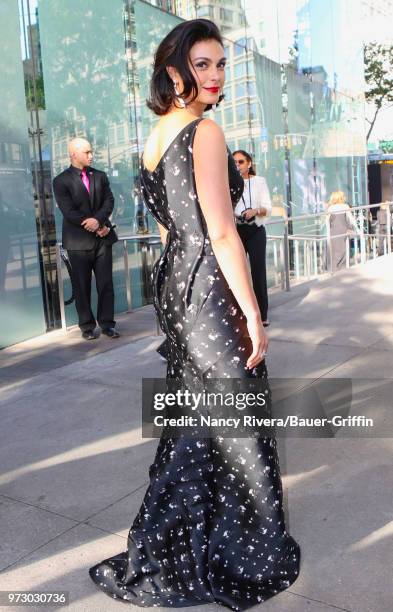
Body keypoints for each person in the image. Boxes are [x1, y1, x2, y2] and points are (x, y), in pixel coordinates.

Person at [89, 19, 300, 609]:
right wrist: (254, 314)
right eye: (201, 64)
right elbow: (224, 233)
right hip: (209, 284)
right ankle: (233, 548)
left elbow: (168, 227)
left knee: (197, 415)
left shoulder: (156, 134)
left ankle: (179, 539)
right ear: (175, 70)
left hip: (179, 284)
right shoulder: (204, 132)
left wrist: (178, 288)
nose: (214, 76)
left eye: (220, 64)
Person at [53, 138, 120, 340]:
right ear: (74, 154)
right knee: (82, 286)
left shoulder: (100, 176)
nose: (91, 155)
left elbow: (109, 201)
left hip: (102, 239)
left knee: (105, 284)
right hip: (78, 242)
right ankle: (87, 327)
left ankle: (107, 324)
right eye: (87, 152)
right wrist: (92, 224)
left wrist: (99, 222)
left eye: (91, 152)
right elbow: (68, 211)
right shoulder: (61, 181)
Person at [233, 150, 271, 326]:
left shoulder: (259, 182)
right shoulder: (229, 183)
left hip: (256, 230)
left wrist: (254, 211)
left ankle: (262, 315)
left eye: (241, 162)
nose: (237, 165)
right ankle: (240, 315)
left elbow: (267, 208)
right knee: (238, 274)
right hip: (237, 231)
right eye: (234, 162)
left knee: (258, 272)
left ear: (249, 163)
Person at [326, 190, 358, 271]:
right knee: (343, 252)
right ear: (340, 197)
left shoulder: (330, 208)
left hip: (333, 232)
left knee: (334, 252)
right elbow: (351, 219)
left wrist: (327, 234)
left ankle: (333, 271)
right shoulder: (345, 206)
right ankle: (342, 271)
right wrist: (357, 229)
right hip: (343, 231)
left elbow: (327, 222)